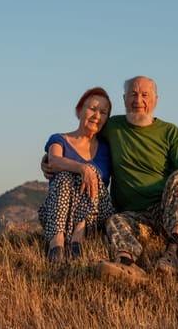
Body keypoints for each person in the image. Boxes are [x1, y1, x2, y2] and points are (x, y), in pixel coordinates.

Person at [43, 76, 178, 282]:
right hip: (132, 215)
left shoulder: (170, 132)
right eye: (133, 95)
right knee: (113, 221)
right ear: (124, 99)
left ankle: (173, 252)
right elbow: (82, 138)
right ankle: (127, 265)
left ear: (155, 100)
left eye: (145, 95)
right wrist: (49, 159)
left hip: (164, 207)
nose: (138, 100)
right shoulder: (112, 127)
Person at [38, 87, 115, 264]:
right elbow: (54, 160)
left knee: (91, 171)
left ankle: (77, 240)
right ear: (79, 110)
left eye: (103, 112)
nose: (97, 115)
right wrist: (81, 168)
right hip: (59, 213)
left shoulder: (107, 148)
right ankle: (56, 244)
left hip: (95, 213)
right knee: (66, 174)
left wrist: (86, 170)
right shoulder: (59, 139)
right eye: (92, 108)